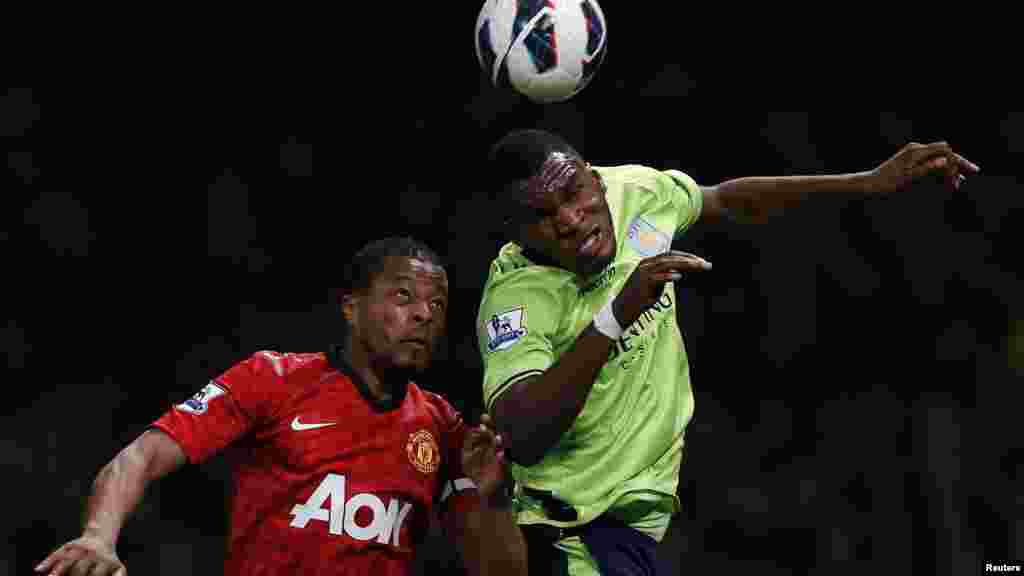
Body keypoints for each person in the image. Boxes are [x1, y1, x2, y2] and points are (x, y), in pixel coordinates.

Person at [475, 129, 979, 575]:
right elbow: (520, 435)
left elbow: (726, 200)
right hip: (572, 535)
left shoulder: (638, 192)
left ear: (595, 177)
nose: (568, 218)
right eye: (542, 216)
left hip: (636, 528)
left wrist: (865, 182)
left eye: (574, 193)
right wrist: (614, 315)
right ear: (516, 232)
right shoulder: (516, 300)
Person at [38, 237, 527, 576]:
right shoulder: (273, 380)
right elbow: (141, 456)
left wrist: (496, 499)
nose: (423, 313)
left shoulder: (443, 428)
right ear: (351, 308)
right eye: (403, 296)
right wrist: (99, 537)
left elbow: (499, 572)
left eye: (437, 304)